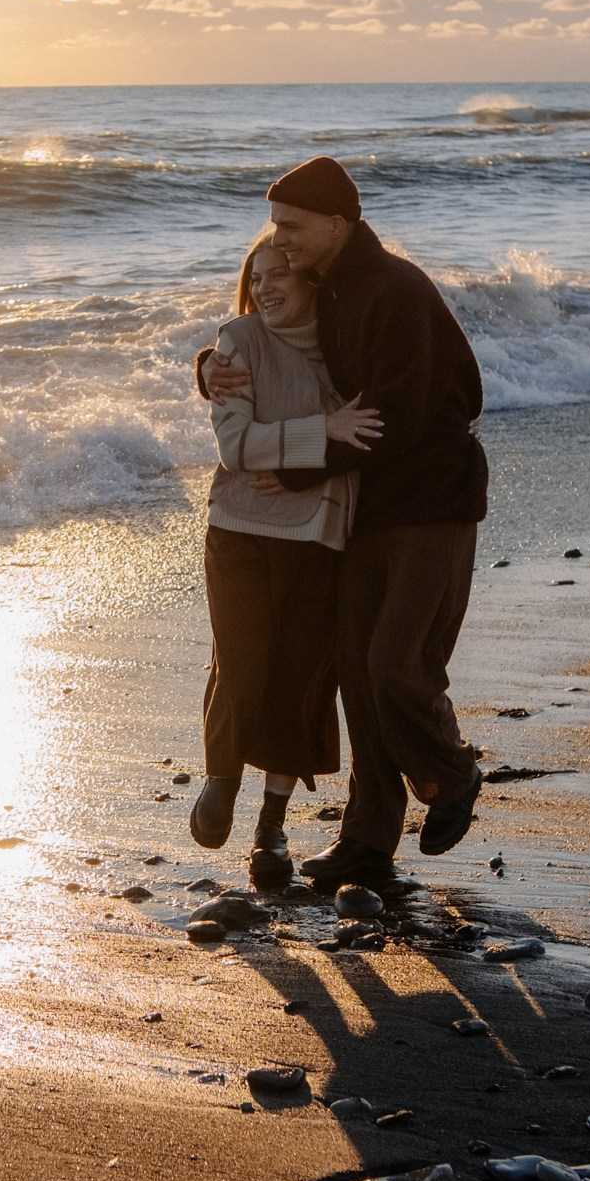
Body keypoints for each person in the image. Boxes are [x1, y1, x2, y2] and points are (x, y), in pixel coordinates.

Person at [200, 156, 488, 888]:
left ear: (337, 225)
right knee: (358, 677)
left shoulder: (396, 289)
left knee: (397, 663)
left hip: (431, 503)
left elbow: (385, 422)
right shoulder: (328, 290)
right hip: (366, 509)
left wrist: (292, 466)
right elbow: (279, 338)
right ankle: (367, 839)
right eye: (274, 227)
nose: (280, 240)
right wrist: (212, 363)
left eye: (291, 227)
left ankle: (451, 775)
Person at [191, 233, 382, 881]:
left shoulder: (345, 348)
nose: (267, 286)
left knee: (299, 680)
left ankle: (271, 827)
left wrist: (308, 457)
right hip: (240, 529)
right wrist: (320, 433)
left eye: (281, 274)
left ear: (311, 282)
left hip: (317, 534)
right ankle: (222, 777)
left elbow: (372, 433)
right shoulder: (238, 342)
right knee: (241, 660)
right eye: (257, 275)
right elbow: (236, 447)